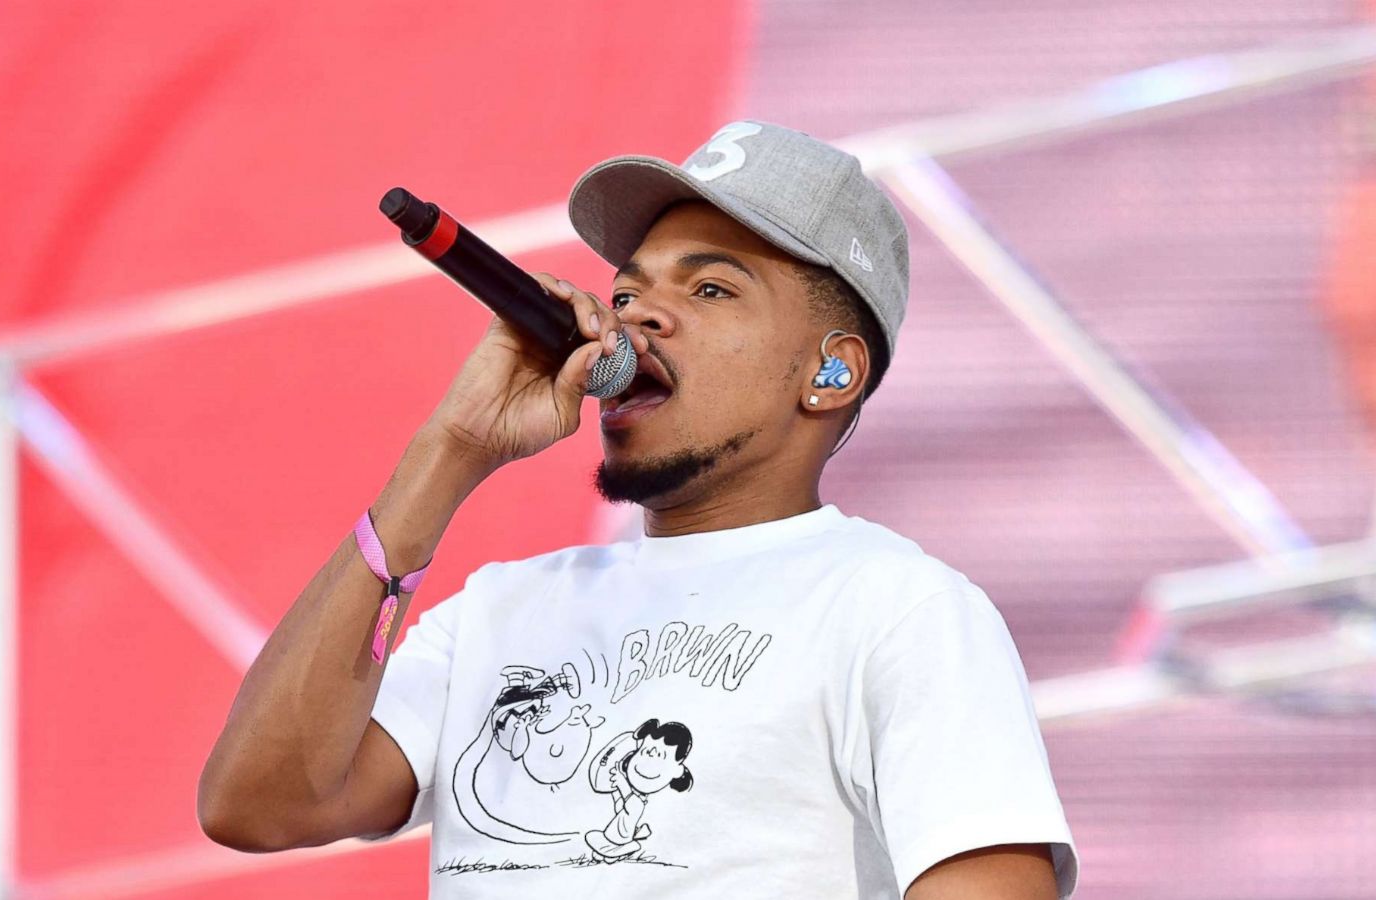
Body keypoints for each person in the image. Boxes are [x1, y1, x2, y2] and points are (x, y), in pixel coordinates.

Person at [198, 120, 1080, 899]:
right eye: (625, 294)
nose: (634, 321)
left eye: (709, 291)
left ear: (831, 371)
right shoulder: (499, 614)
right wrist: (452, 450)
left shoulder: (899, 610)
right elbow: (260, 804)